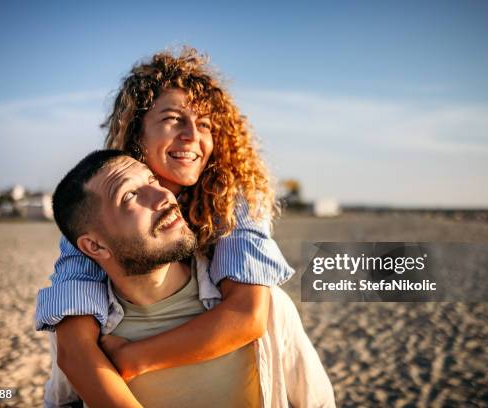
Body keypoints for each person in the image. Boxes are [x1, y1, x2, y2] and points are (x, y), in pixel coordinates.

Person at [35, 47, 296, 405]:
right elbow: (74, 348)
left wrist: (134, 357)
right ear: (136, 132)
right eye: (174, 119)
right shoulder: (97, 217)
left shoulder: (232, 201)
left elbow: (248, 316)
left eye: (204, 124)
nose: (192, 135)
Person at [49, 150, 335, 407]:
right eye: (130, 196)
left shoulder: (268, 305)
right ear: (95, 246)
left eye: (153, 181)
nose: (163, 197)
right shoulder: (83, 335)